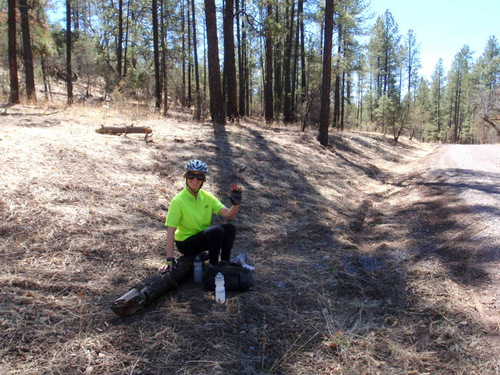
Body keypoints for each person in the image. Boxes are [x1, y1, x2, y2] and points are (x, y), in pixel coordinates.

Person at [162, 160, 243, 271]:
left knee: (230, 228)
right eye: (191, 175)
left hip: (202, 238)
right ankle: (213, 267)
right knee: (217, 231)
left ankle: (224, 263)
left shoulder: (207, 197)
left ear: (203, 180)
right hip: (185, 243)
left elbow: (228, 214)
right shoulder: (178, 201)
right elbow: (171, 230)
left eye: (199, 177)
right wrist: (169, 259)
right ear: (186, 177)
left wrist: (236, 204)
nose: (195, 180)